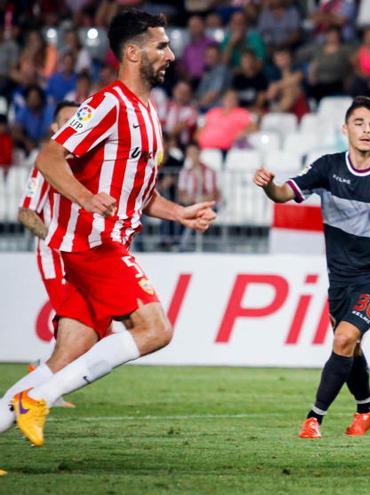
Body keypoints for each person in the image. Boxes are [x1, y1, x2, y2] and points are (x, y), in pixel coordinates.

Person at [10, 10, 217, 448]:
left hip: (107, 240)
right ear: (132, 52)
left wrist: (181, 214)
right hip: (93, 242)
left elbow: (140, 195)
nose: (171, 54)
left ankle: (33, 396)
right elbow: (49, 158)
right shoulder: (108, 104)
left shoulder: (147, 114)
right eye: (161, 46)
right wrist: (86, 199)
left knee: (67, 356)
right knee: (156, 329)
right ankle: (39, 400)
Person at [253, 96, 370, 439]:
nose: (366, 130)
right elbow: (283, 194)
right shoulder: (328, 168)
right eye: (359, 123)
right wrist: (268, 184)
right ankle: (368, 409)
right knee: (351, 346)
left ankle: (314, 419)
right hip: (341, 278)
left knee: (343, 338)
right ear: (345, 129)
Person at [0, 101, 79, 435]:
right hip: (56, 256)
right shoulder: (47, 164)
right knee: (76, 331)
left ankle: (44, 380)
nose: (75, 126)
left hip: (82, 256)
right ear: (54, 128)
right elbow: (26, 212)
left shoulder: (85, 162)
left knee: (86, 332)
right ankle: (38, 389)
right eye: (67, 121)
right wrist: (53, 237)